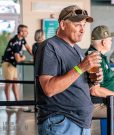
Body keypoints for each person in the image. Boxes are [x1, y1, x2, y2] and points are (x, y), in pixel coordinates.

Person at [35, 5, 102, 135]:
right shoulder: (49, 46)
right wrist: (81, 67)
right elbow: (49, 89)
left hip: (81, 121)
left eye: (84, 25)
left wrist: (93, 80)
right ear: (63, 25)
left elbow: (75, 81)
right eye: (77, 24)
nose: (82, 30)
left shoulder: (77, 49)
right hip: (61, 122)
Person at [2, 24, 32, 103]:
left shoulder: (22, 39)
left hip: (13, 65)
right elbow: (18, 59)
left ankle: (17, 103)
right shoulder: (15, 41)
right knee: (9, 84)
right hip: (8, 64)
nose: (27, 33)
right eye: (26, 31)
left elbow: (28, 48)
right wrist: (24, 57)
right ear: (21, 32)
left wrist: (36, 55)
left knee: (15, 83)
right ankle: (8, 104)